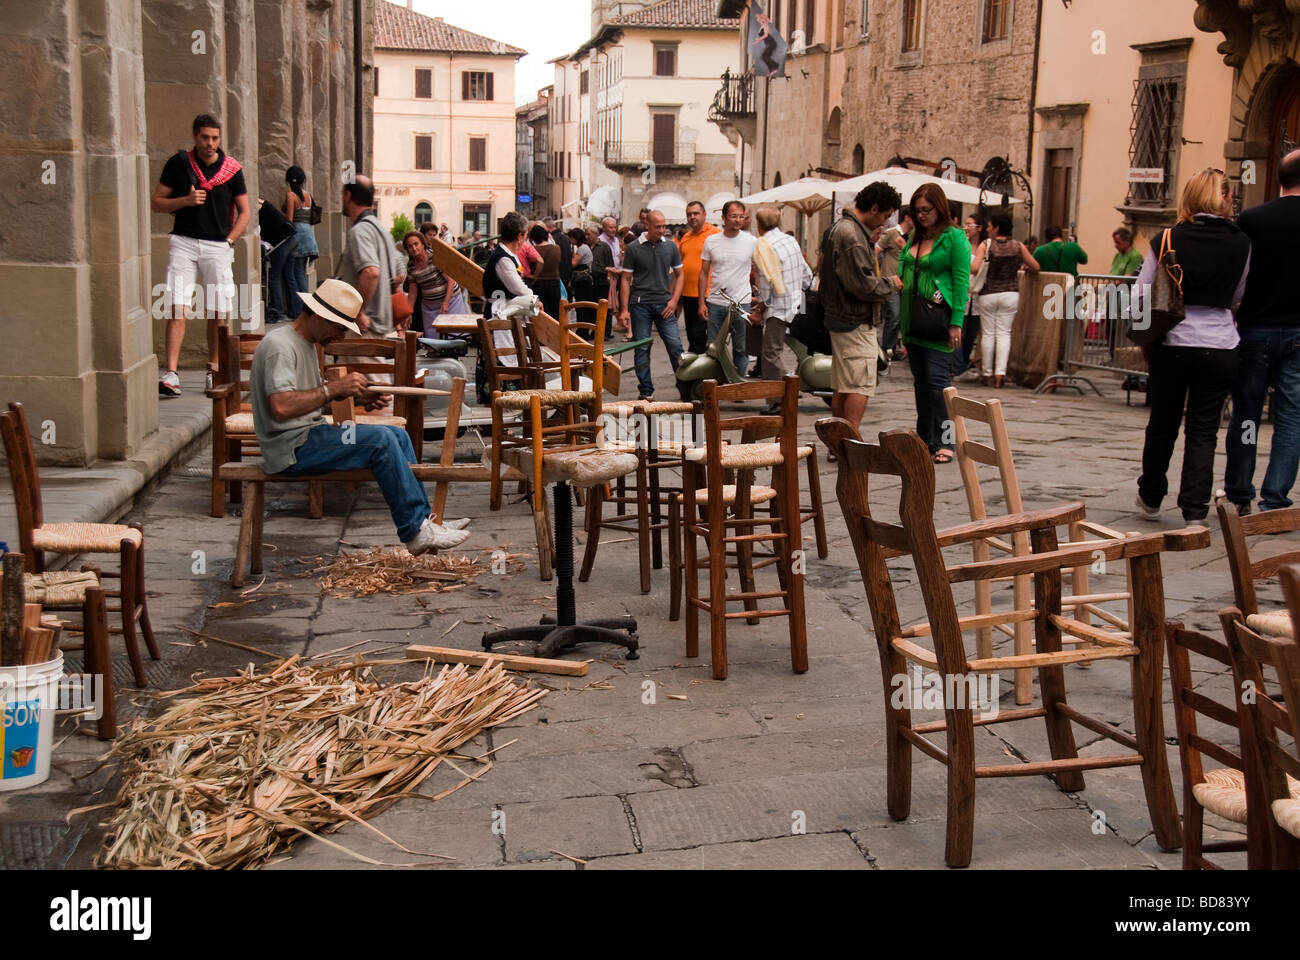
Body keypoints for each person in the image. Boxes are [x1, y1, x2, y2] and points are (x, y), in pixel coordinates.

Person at [251, 278, 470, 554]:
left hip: (308, 435)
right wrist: (334, 388)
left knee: (397, 435)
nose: (341, 338)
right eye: (340, 328)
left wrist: (353, 396)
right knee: (380, 440)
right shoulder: (279, 346)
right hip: (290, 449)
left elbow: (309, 402)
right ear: (320, 316)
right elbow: (281, 407)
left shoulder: (305, 343)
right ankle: (413, 530)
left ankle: (426, 520)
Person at [1135, 168, 1251, 523]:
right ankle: (1194, 509)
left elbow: (1140, 295)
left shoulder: (1167, 238)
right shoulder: (1242, 242)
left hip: (1173, 342)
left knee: (1163, 422)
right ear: (1225, 198)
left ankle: (1152, 496)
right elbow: (1239, 294)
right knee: (1203, 429)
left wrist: (1143, 337)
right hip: (1219, 345)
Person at [1222, 149, 1300, 515]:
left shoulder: (1252, 219)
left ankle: (1239, 494)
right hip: (1298, 331)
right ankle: (1276, 499)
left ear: (1280, 178)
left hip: (1255, 327)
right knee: (1291, 415)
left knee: (1248, 412)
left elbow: (1238, 273)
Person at [151, 113, 250, 397]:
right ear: (195, 137)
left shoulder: (231, 169)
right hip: (183, 241)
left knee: (219, 311)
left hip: (218, 245)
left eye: (215, 138)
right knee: (177, 305)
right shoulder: (179, 163)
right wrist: (185, 201)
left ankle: (214, 369)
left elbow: (244, 212)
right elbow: (157, 203)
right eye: (205, 138)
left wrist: (229, 241)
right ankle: (171, 373)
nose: (210, 143)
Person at [818, 183, 903, 431]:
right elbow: (863, 285)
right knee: (858, 384)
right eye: (885, 216)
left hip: (841, 317)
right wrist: (892, 283)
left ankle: (839, 439)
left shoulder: (843, 229)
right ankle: (850, 438)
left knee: (844, 384)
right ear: (874, 208)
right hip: (853, 318)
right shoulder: (852, 235)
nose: (885, 223)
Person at [898, 183, 971, 464]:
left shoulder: (954, 239)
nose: (921, 215)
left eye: (926, 210)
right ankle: (924, 437)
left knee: (938, 384)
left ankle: (947, 441)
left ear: (939, 208)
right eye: (916, 211)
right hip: (913, 321)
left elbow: (961, 281)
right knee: (920, 383)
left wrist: (956, 322)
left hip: (939, 321)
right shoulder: (915, 237)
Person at [619, 210, 684, 400]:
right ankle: (645, 390)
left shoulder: (671, 247)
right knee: (642, 347)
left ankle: (684, 385)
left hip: (665, 303)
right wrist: (624, 309)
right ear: (647, 225)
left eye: (664, 226)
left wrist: (674, 300)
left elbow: (681, 274)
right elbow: (625, 279)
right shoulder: (633, 248)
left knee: (675, 346)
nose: (662, 230)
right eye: (658, 227)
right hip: (640, 304)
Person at [752, 207, 813, 403]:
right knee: (798, 347)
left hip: (779, 307)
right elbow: (806, 274)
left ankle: (778, 400)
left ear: (759, 224)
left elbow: (767, 284)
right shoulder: (790, 240)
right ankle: (793, 385)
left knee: (770, 353)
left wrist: (760, 307)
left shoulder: (763, 246)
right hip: (797, 302)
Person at [970, 213, 1038, 388]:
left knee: (988, 334)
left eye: (990, 225)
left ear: (997, 228)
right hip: (1010, 293)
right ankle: (1000, 374)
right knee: (1004, 333)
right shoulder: (1018, 246)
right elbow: (1036, 266)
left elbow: (976, 268)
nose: (987, 228)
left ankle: (986, 373)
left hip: (988, 293)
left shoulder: (986, 245)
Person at [336, 175, 404, 337]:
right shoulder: (381, 230)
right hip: (378, 326)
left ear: (348, 196)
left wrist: (358, 313)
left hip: (365, 327)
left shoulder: (361, 230)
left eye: (342, 194)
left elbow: (371, 272)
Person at [699, 201, 758, 377]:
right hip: (716, 302)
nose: (738, 220)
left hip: (742, 302)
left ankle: (738, 383)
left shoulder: (751, 241)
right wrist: (701, 302)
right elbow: (703, 273)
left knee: (741, 347)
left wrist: (760, 299)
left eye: (741, 216)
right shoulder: (711, 241)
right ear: (724, 218)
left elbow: (759, 270)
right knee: (714, 346)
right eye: (733, 216)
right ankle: (715, 382)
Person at [677, 200, 721, 353]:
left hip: (707, 294)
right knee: (692, 334)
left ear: (704, 214)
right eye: (689, 214)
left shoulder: (715, 234)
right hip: (688, 295)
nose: (692, 217)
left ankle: (700, 371)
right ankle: (697, 369)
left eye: (696, 213)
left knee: (701, 336)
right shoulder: (686, 238)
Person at [954, 212, 989, 379]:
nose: (966, 227)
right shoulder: (961, 244)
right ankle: (958, 366)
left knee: (971, 332)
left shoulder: (986, 246)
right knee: (959, 329)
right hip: (962, 291)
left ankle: (963, 363)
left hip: (978, 294)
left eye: (970, 224)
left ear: (980, 228)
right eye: (965, 224)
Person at [877, 207, 912, 363]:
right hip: (890, 281)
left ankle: (891, 347)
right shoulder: (891, 233)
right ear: (907, 218)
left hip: (905, 283)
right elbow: (875, 250)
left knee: (900, 317)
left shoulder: (912, 237)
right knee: (894, 315)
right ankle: (886, 349)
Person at [284, 165, 318, 320]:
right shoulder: (308, 195)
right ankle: (307, 308)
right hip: (309, 236)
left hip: (296, 235)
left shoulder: (291, 196)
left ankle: (301, 310)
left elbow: (289, 220)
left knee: (292, 274)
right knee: (301, 273)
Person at [401, 231, 453, 333]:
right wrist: (408, 312)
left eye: (416, 244)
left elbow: (451, 281)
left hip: (450, 301)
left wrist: (446, 302)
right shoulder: (411, 266)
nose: (414, 249)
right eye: (410, 246)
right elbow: (413, 292)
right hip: (429, 305)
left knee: (453, 335)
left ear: (423, 244)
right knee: (432, 338)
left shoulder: (435, 257)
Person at [419, 221, 468, 314]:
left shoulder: (435, 252)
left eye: (434, 235)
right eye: (430, 235)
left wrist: (446, 302)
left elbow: (450, 279)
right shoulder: (424, 252)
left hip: (450, 299)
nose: (433, 238)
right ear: (422, 235)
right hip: (430, 302)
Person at [589, 224, 616, 337]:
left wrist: (609, 277)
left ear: (595, 234)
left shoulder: (604, 247)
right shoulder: (587, 246)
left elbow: (610, 264)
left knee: (604, 306)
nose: (587, 236)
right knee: (593, 307)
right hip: (590, 280)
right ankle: (595, 330)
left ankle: (606, 331)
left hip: (602, 280)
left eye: (588, 234)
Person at [567, 227, 596, 329]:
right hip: (585, 280)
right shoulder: (584, 247)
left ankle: (582, 330)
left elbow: (573, 263)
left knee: (582, 306)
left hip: (582, 281)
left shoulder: (582, 249)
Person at [544, 216, 573, 293]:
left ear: (548, 227)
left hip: (557, 275)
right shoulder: (565, 238)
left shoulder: (552, 239)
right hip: (566, 274)